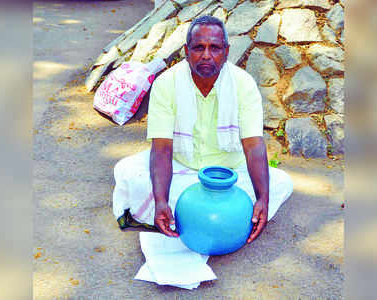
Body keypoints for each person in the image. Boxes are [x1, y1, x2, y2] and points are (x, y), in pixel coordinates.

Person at [112, 15, 293, 244]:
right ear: (187, 51)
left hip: (230, 174)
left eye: (215, 48)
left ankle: (194, 217)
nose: (206, 55)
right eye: (199, 47)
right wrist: (160, 201)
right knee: (131, 174)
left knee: (280, 183)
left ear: (226, 51)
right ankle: (223, 218)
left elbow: (253, 144)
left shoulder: (243, 83)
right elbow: (162, 148)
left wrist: (263, 198)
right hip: (180, 167)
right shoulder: (167, 83)